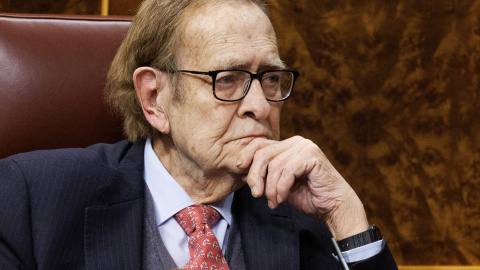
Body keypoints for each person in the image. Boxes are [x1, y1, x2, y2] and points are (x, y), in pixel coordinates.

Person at [0, 0, 398, 269]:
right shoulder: (31, 201)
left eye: (270, 78)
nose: (260, 106)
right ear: (155, 98)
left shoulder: (302, 215)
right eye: (227, 79)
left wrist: (345, 215)